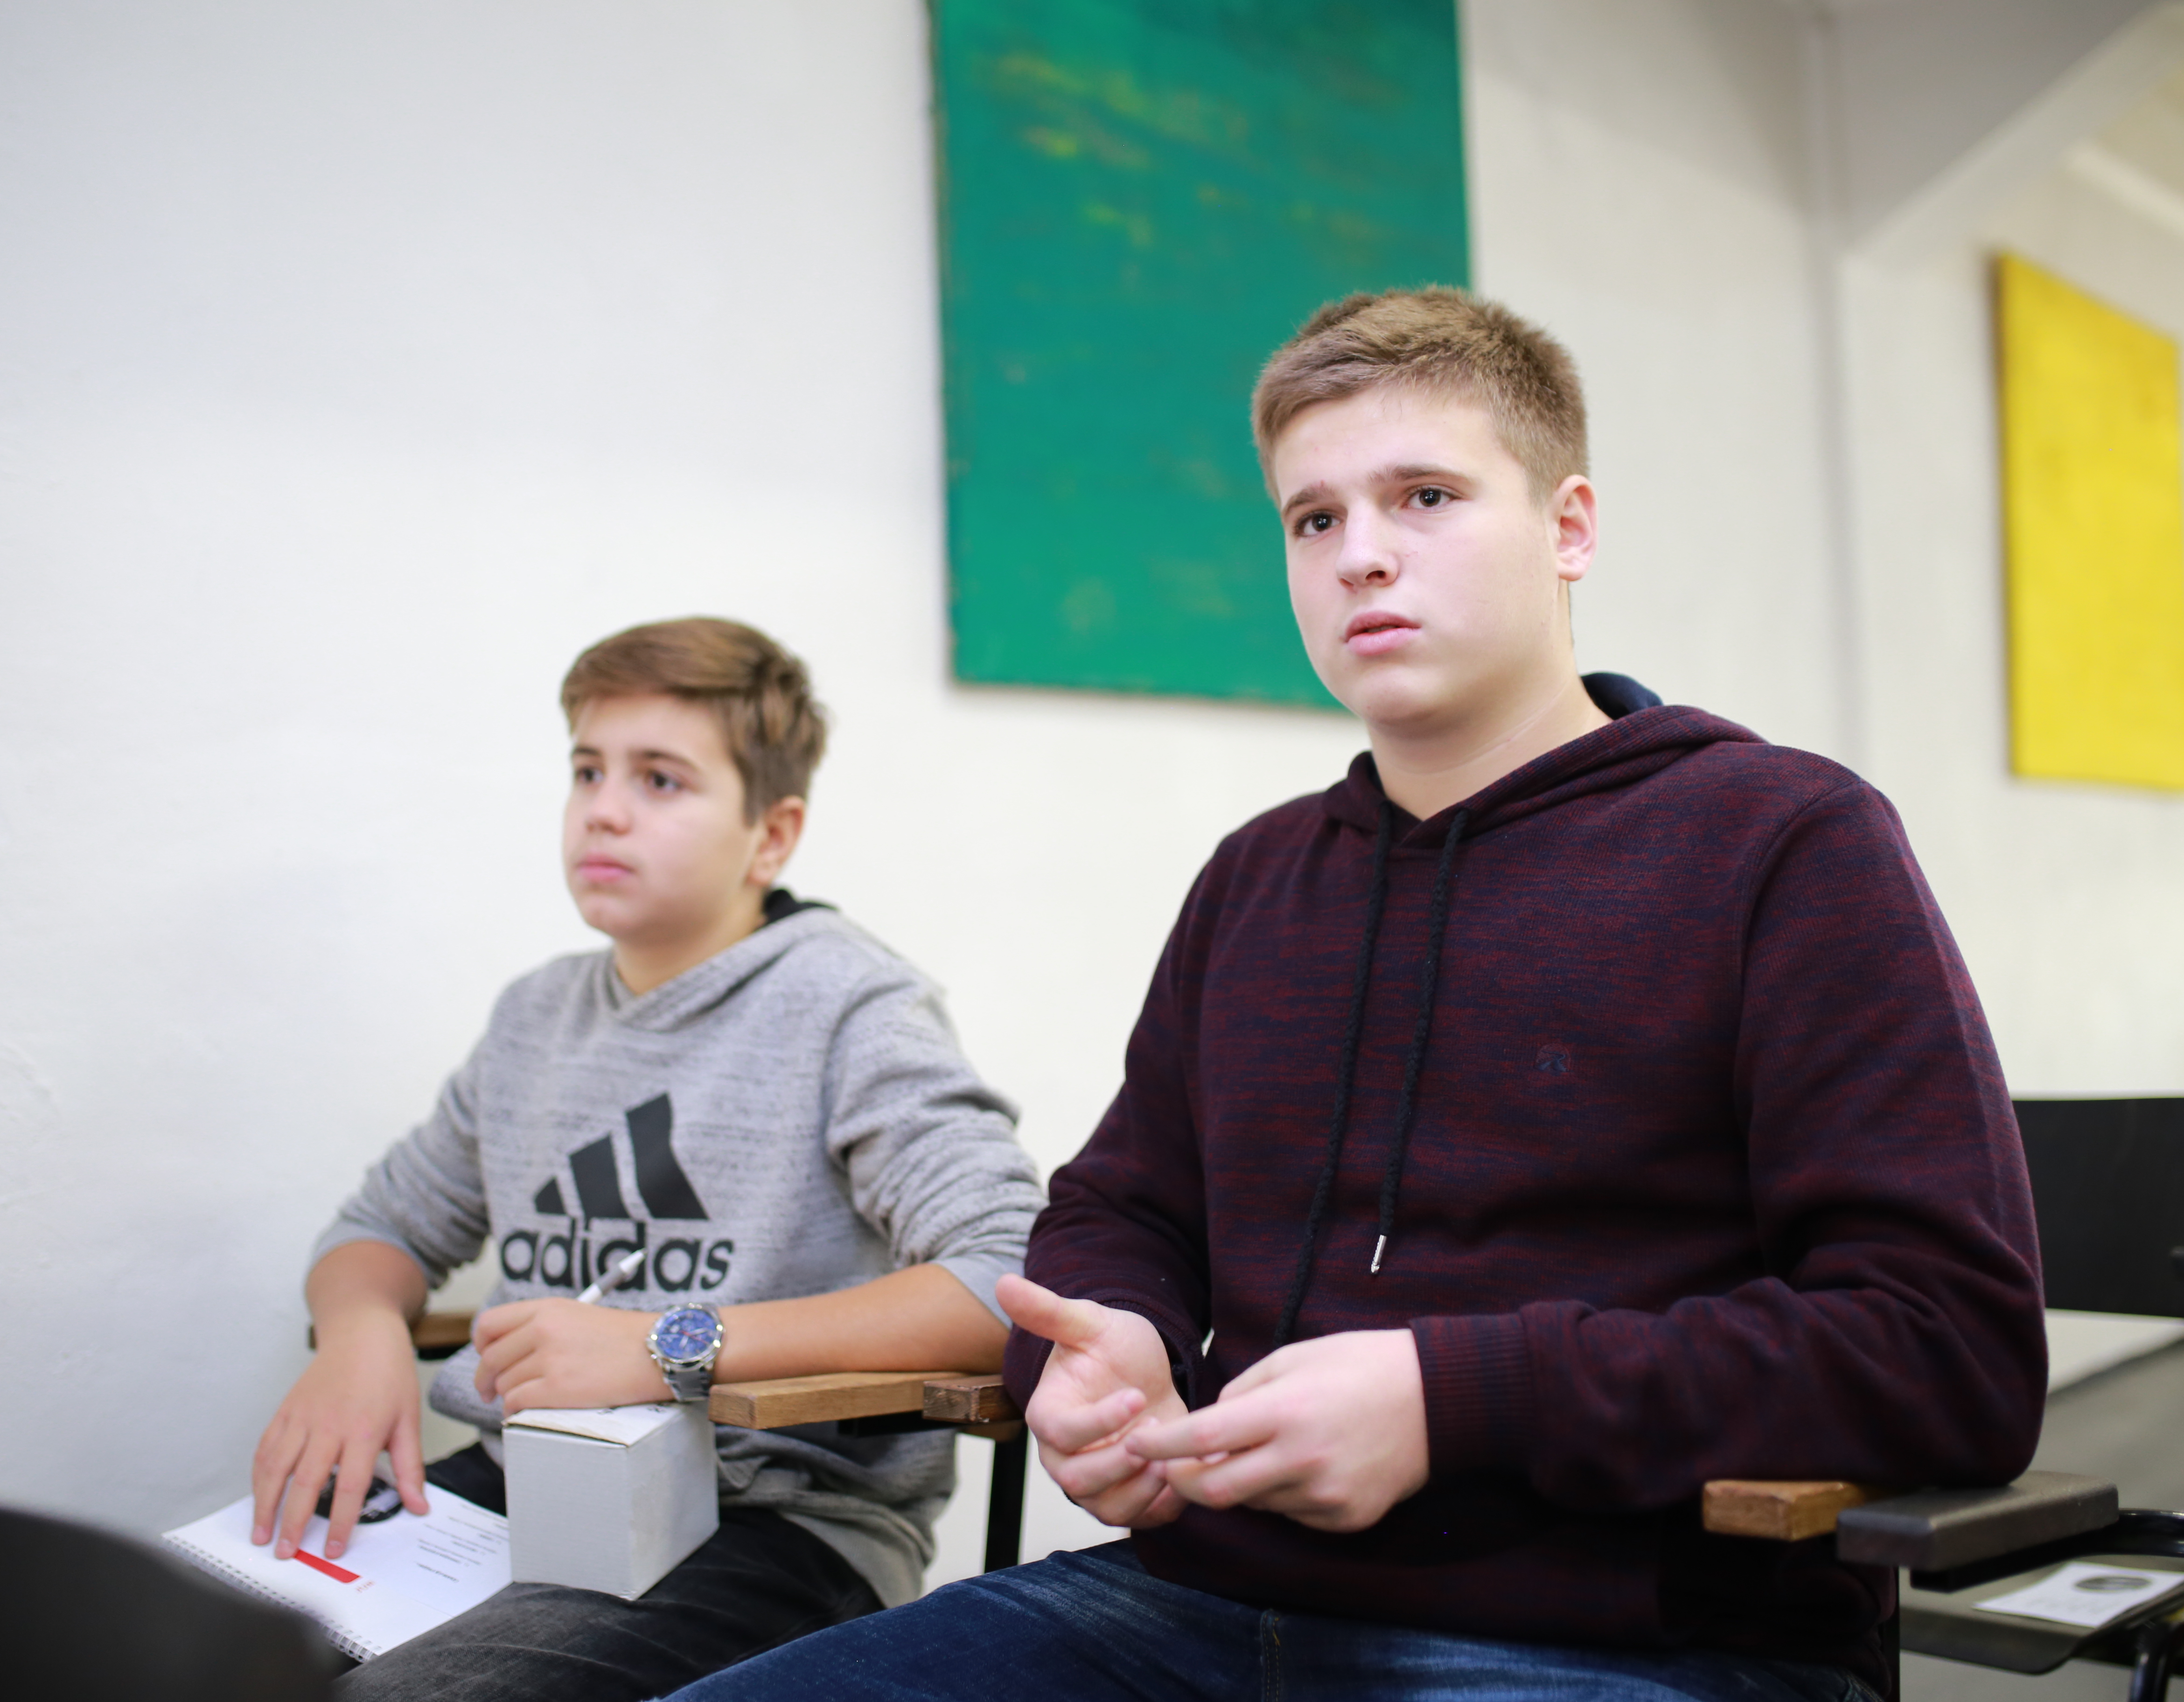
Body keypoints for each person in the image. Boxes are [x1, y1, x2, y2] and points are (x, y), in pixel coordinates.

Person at [663, 289, 2044, 1702]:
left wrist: (1453, 1402)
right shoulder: (1255, 880)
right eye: (1313, 518)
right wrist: (1106, 1341)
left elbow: (1949, 1350)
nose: (1360, 554)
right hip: (1195, 1601)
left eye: (1425, 496)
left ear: (1569, 528)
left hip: (1634, 1642)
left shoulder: (1783, 840)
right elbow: (1121, 1212)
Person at [248, 616, 1045, 1701]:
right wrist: (361, 1335)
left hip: (764, 1524)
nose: (604, 810)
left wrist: (664, 1349)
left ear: (771, 836)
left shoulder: (849, 1005)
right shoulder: (535, 1018)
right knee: (182, 1651)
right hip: (521, 1489)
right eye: (589, 771)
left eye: (661, 780)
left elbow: (1008, 1277)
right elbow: (380, 1230)